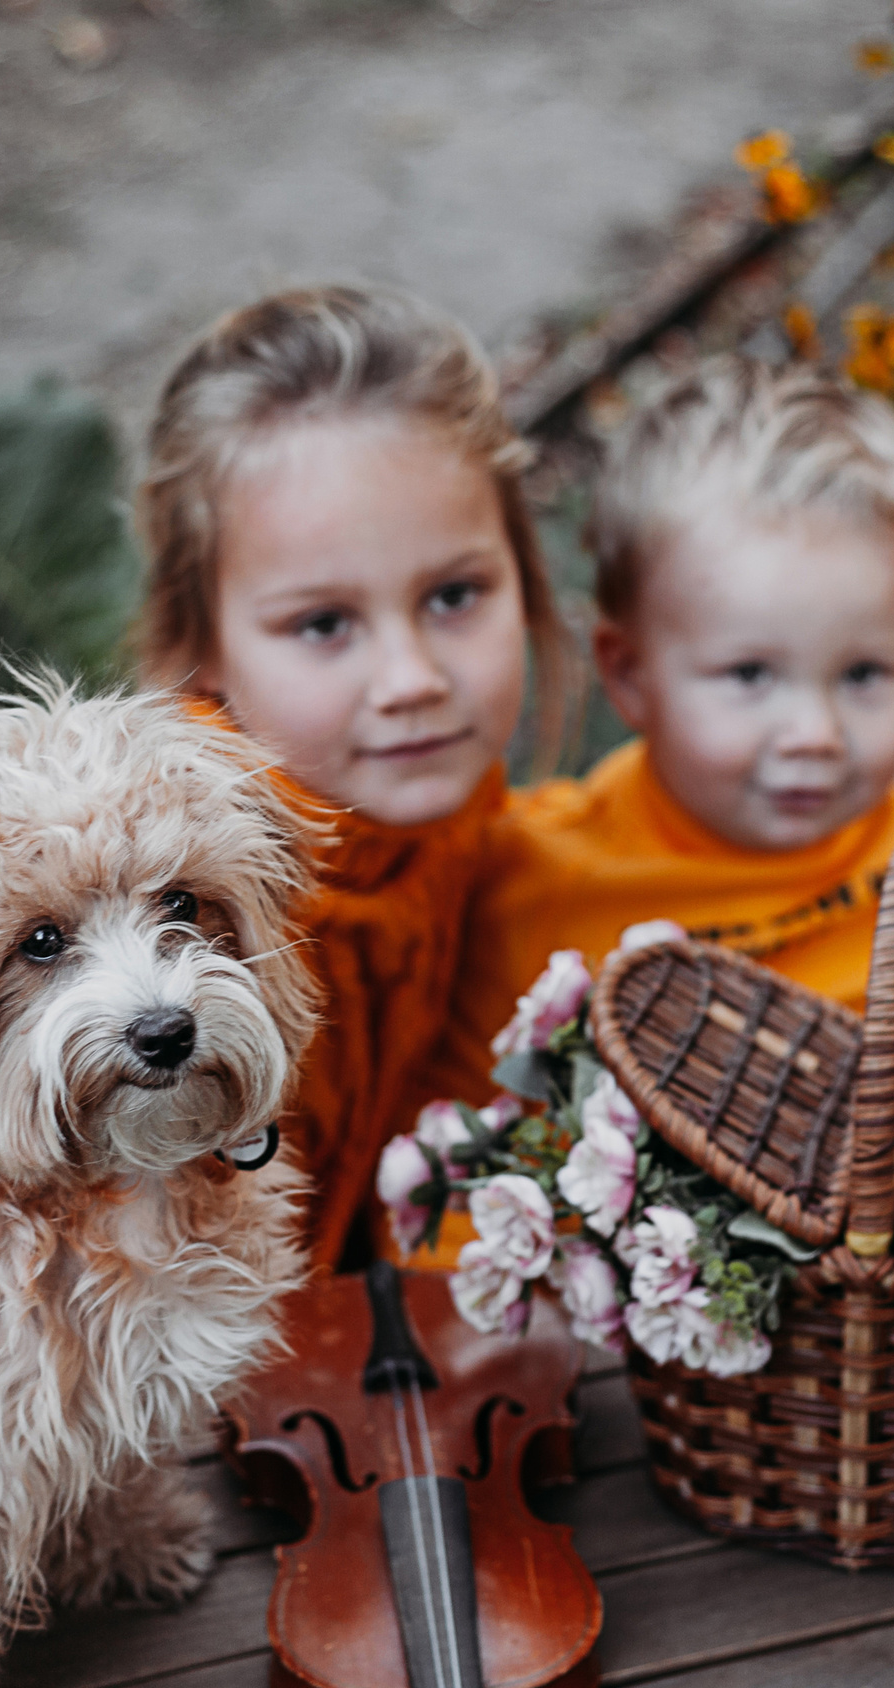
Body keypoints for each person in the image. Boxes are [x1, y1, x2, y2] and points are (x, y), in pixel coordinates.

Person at [134, 284, 574, 1273]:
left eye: (454, 595)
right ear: (200, 648)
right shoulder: (183, 933)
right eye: (324, 624)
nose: (414, 681)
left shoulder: (443, 811)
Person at [440, 354, 894, 1127]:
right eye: (749, 675)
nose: (816, 735)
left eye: (865, 673)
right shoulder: (536, 880)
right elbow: (454, 1165)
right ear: (629, 673)